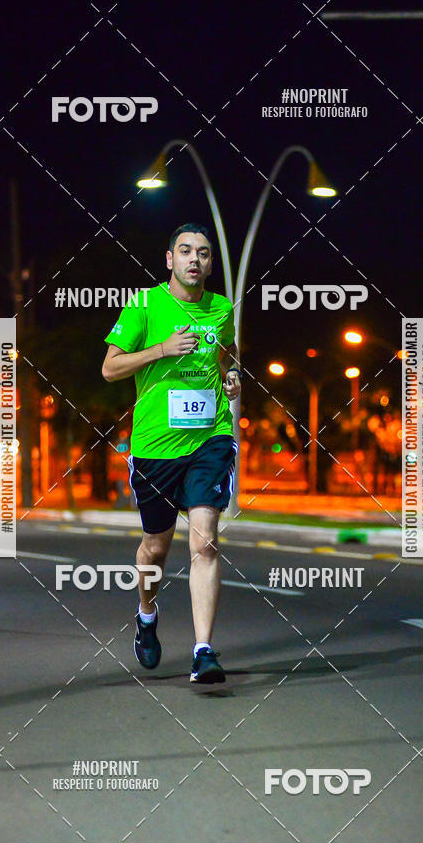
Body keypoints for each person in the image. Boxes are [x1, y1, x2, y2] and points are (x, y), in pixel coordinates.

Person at [102, 223, 241, 683]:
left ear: (210, 263)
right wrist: (161, 349)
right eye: (185, 251)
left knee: (205, 542)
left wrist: (232, 375)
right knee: (155, 548)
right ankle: (146, 613)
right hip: (155, 446)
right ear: (169, 259)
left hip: (210, 438)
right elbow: (110, 368)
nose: (194, 259)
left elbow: (228, 353)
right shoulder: (144, 304)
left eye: (202, 252)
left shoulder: (220, 308)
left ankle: (203, 652)